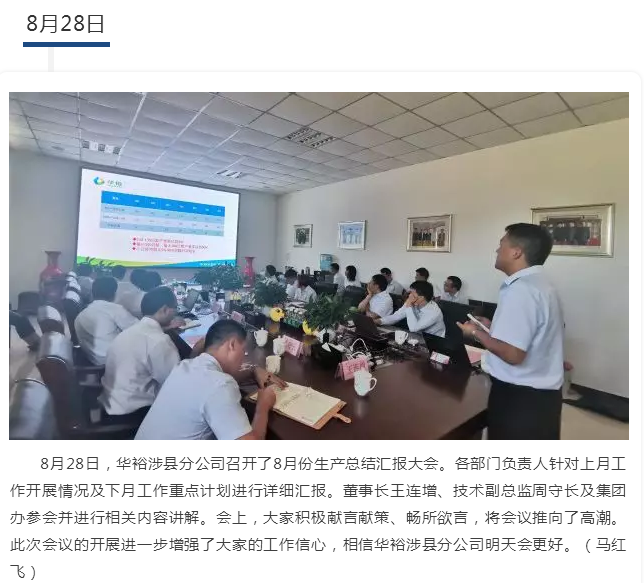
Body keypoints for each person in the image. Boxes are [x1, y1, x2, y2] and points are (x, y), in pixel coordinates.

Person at [457, 223, 564, 440]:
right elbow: (534, 332)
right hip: (541, 398)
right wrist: (492, 325)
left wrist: (475, 333)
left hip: (521, 398)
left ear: (517, 252)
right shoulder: (540, 283)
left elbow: (513, 354)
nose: (497, 250)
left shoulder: (522, 289)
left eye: (501, 244)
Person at [136, 320, 285, 440]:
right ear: (232, 345)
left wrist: (253, 370)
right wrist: (262, 406)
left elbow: (212, 384)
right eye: (243, 350)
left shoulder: (186, 366)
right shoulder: (220, 385)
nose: (243, 357)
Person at [98, 286, 182, 424]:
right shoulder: (159, 341)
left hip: (111, 403)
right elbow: (175, 384)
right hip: (132, 414)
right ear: (165, 309)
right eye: (176, 308)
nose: (176, 313)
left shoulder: (131, 331)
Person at [74, 276, 139, 365]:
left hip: (94, 360)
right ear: (115, 293)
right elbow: (139, 329)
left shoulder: (80, 315)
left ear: (92, 293)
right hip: (115, 362)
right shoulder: (115, 309)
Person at [376, 281, 445, 336]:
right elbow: (396, 316)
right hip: (416, 336)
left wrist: (409, 305)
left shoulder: (434, 312)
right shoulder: (412, 301)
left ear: (421, 297)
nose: (409, 296)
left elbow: (413, 328)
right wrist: (379, 321)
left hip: (433, 341)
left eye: (412, 293)